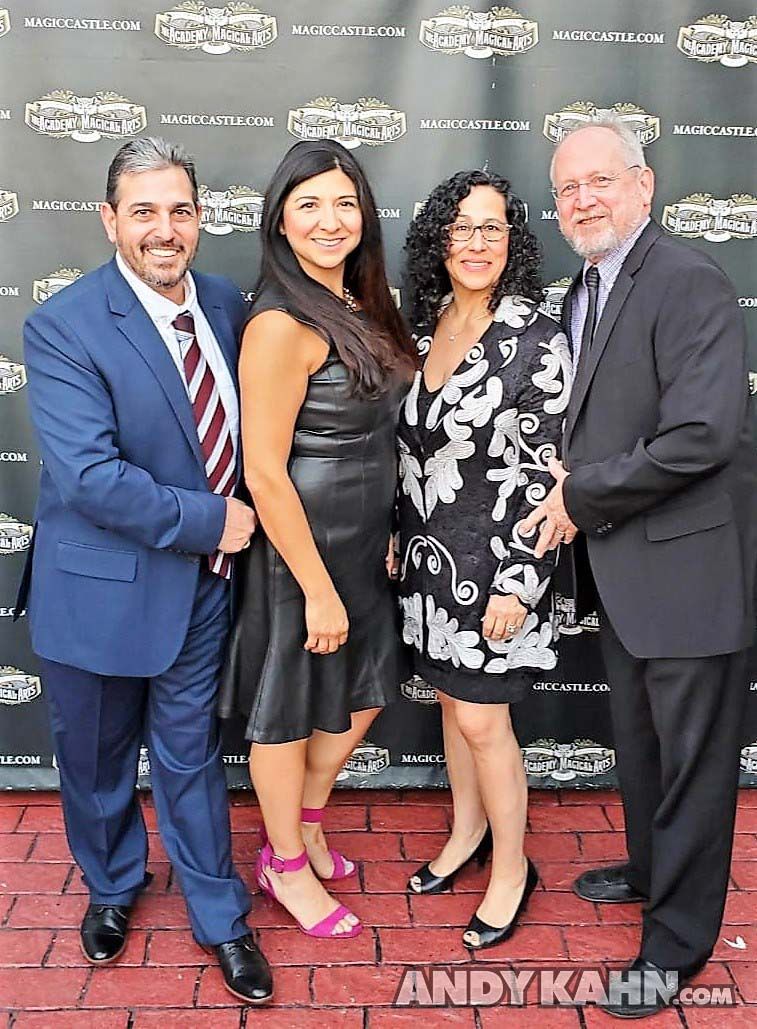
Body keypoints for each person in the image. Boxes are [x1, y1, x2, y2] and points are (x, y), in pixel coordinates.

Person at [17, 137, 272, 1004]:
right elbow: (90, 477)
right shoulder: (63, 324)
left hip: (204, 587)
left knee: (190, 755)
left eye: (180, 210)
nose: (164, 230)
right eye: (144, 212)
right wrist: (214, 519)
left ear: (199, 217)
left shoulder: (228, 305)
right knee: (94, 761)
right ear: (109, 220)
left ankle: (219, 916)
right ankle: (113, 885)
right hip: (100, 588)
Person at [521, 115, 757, 1018]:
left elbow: (701, 433)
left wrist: (580, 494)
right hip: (627, 570)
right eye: (567, 188)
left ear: (643, 185)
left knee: (693, 763)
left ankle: (676, 941)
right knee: (645, 745)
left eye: (601, 181)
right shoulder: (587, 286)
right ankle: (654, 870)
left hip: (689, 571)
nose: (583, 200)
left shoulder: (686, 280)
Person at [219, 140, 416, 939]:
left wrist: (389, 526)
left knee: (361, 697)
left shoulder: (362, 303)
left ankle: (302, 821)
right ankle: (285, 864)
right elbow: (264, 472)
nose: (329, 220)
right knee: (289, 712)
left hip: (361, 541)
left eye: (343, 203)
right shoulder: (278, 323)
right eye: (308, 205)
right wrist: (317, 588)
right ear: (280, 221)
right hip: (301, 552)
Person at [396, 169, 572, 949]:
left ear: (512, 241)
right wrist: (397, 533)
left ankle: (510, 868)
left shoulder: (535, 337)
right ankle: (466, 834)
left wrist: (520, 582)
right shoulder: (426, 324)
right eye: (460, 227)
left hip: (496, 569)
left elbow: (545, 475)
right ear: (439, 239)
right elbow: (409, 449)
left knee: (480, 717)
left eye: (491, 227)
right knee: (450, 706)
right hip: (428, 565)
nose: (475, 242)